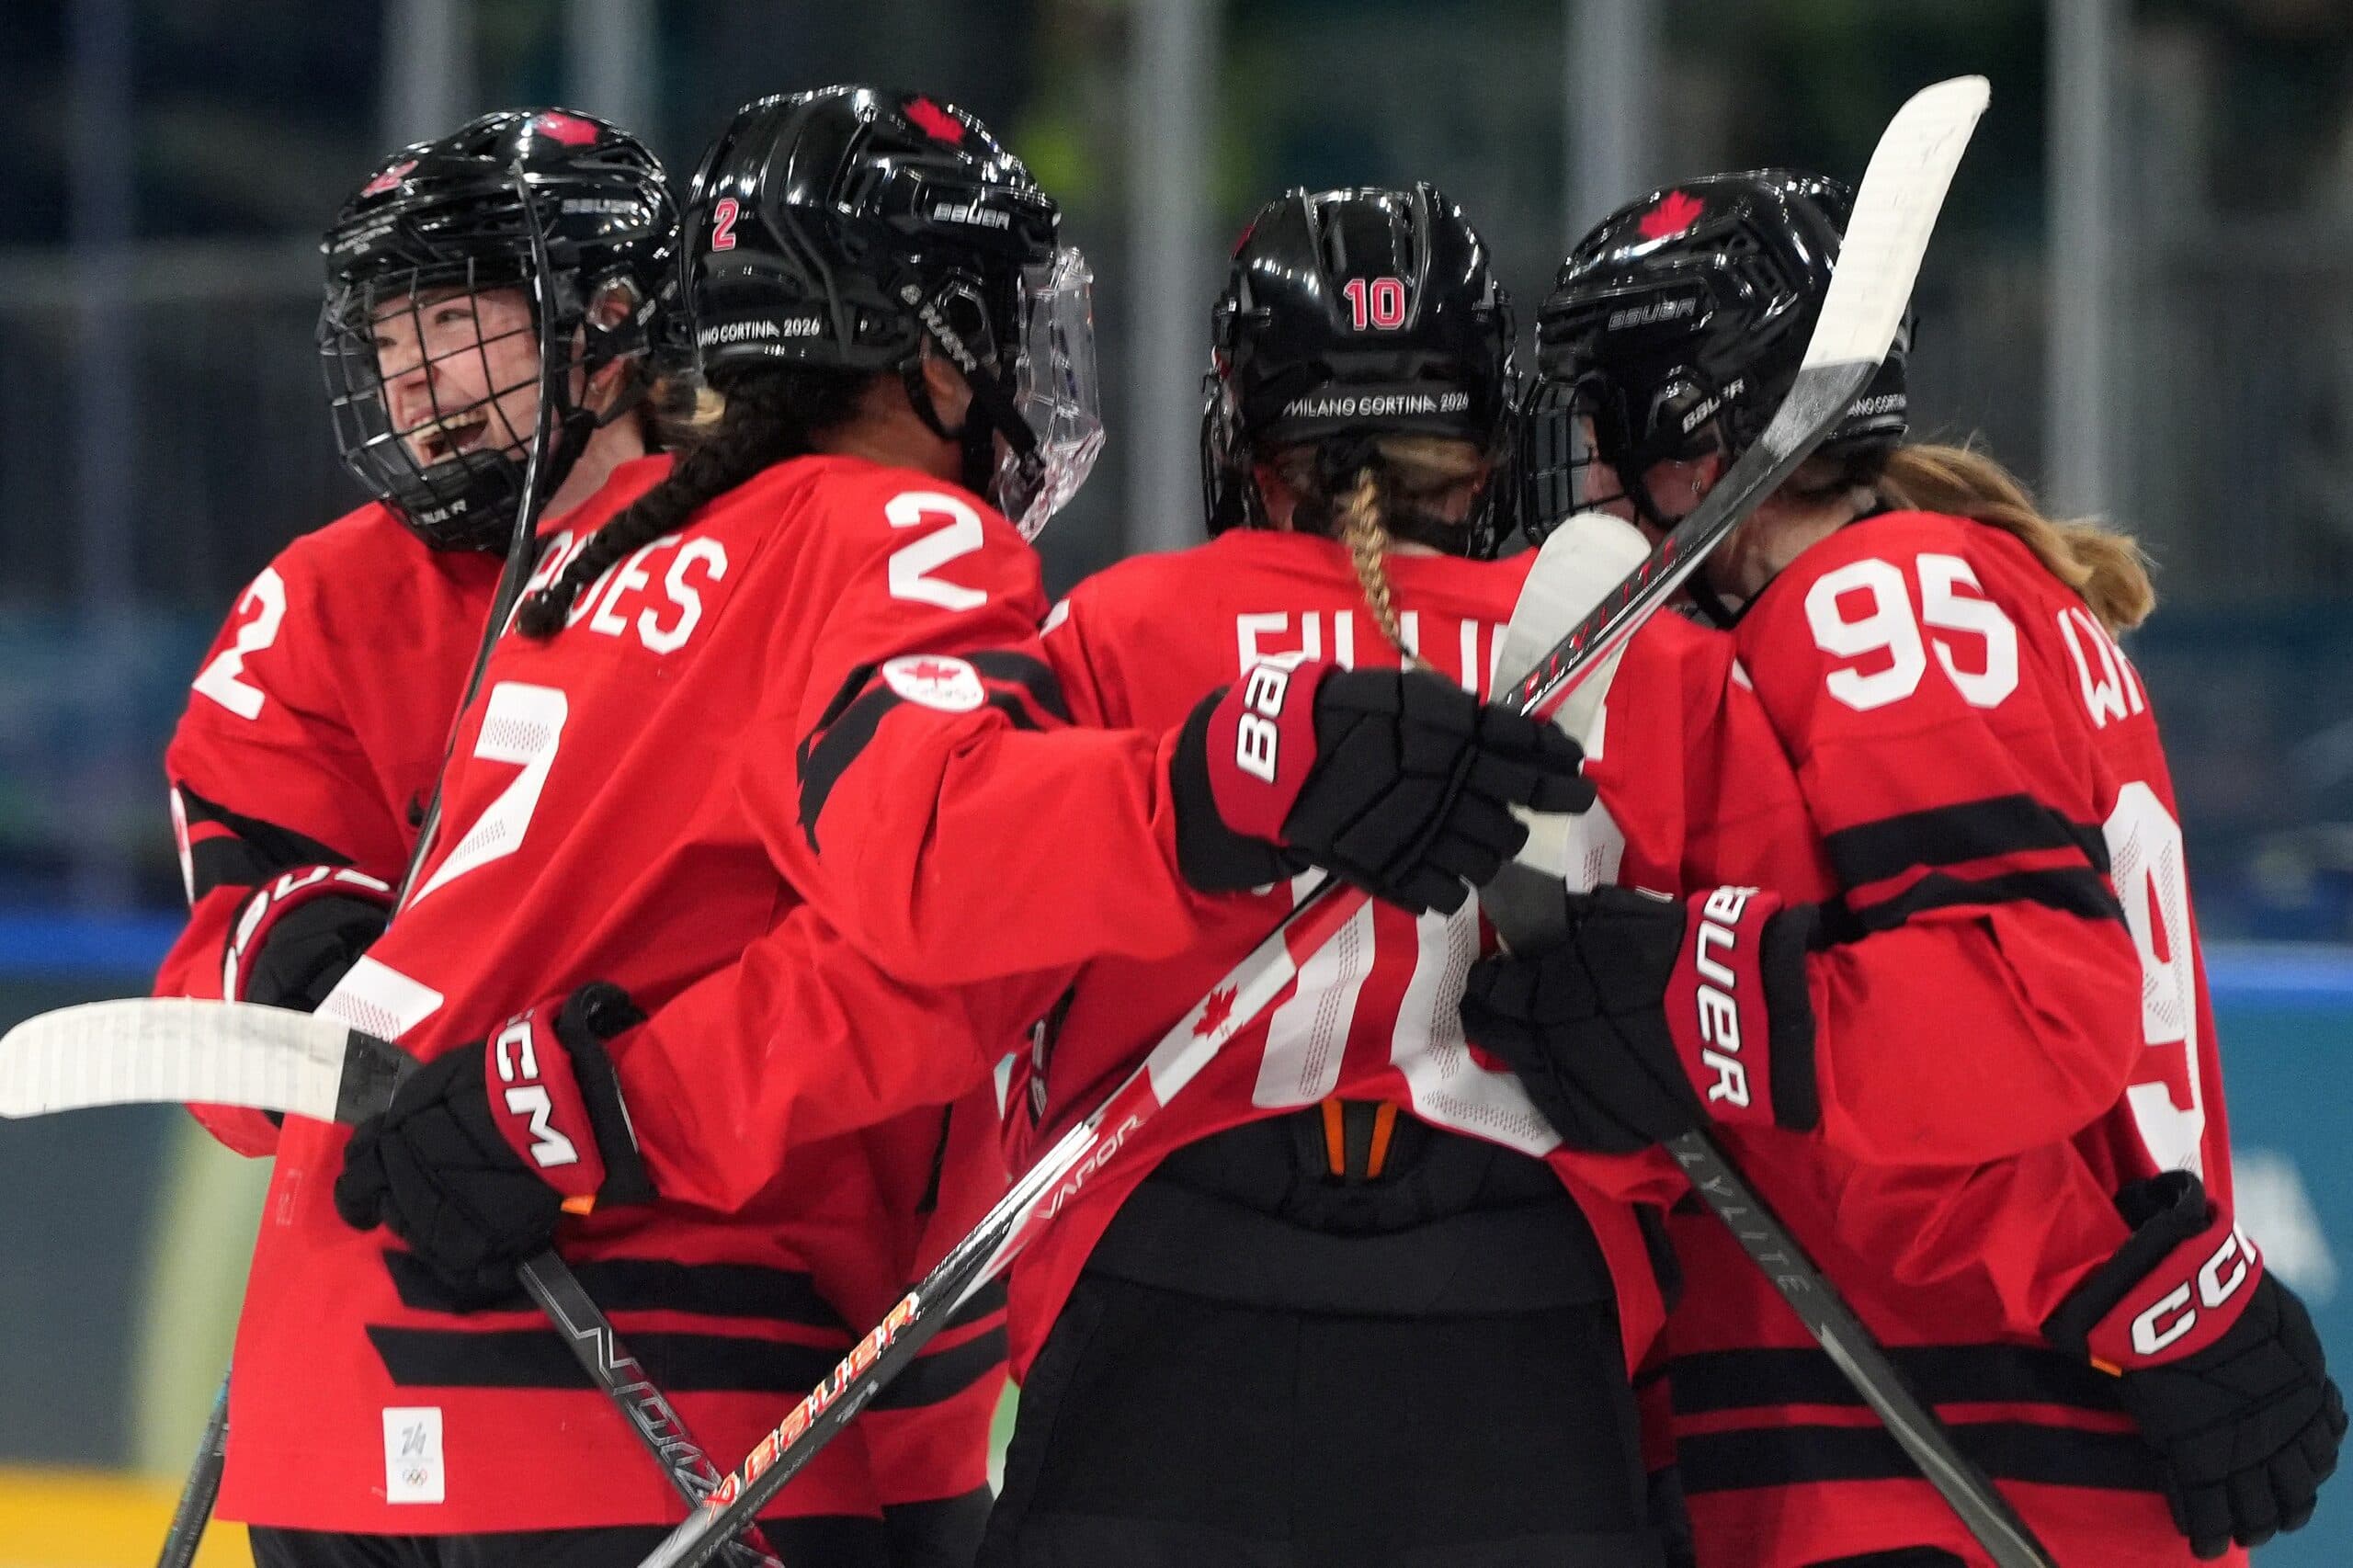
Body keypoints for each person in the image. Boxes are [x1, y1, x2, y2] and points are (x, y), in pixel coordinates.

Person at [290, 86, 1581, 1566]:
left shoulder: (591, 560)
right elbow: (936, 884)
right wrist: (1221, 781)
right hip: (623, 1370)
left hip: (343, 1381)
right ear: (935, 343)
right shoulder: (889, 529)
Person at [1462, 168, 2344, 1566]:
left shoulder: (1876, 600)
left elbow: (2018, 1013)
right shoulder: (1981, 594)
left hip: (1943, 1455)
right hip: (2054, 1436)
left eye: (1602, 417)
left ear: (1694, 432)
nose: (1585, 471)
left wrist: (1682, 1001)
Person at [968, 183, 1719, 1568]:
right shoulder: (1656, 655)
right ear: (1489, 436)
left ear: (1245, 429)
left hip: (1160, 1312)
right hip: (1523, 1330)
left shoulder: (1120, 628)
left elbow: (985, 962)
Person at [153, 106, 668, 1156]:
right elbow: (225, 997)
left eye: (446, 322)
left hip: (743, 1236)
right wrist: (289, 964)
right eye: (388, 339)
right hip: (407, 1251)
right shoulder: (324, 604)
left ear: (606, 327)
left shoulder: (774, 557)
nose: (409, 378)